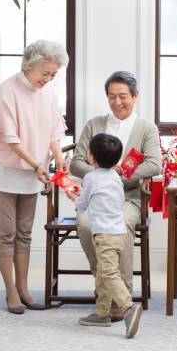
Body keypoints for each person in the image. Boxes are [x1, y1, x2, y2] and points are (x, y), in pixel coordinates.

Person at [0, 40, 69, 314]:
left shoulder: (50, 92)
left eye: (54, 74)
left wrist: (59, 156)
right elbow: (10, 137)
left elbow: (54, 130)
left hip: (35, 172)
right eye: (45, 72)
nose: (49, 78)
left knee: (25, 233)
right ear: (29, 65)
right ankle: (10, 292)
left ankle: (24, 288)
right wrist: (37, 164)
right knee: (5, 233)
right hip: (9, 170)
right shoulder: (8, 89)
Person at [70, 71, 162, 321]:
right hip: (95, 198)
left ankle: (122, 297)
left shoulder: (146, 128)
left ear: (135, 96)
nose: (117, 101)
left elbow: (154, 164)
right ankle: (110, 290)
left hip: (128, 197)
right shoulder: (94, 124)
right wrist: (100, 176)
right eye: (111, 96)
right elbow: (76, 162)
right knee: (87, 224)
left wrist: (116, 179)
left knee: (120, 226)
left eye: (123, 96)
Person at [66, 133, 143, 339]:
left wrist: (73, 195)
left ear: (91, 157)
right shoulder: (116, 177)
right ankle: (102, 313)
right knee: (103, 271)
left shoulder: (90, 177)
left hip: (104, 234)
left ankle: (128, 307)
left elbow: (82, 205)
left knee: (108, 274)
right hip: (118, 233)